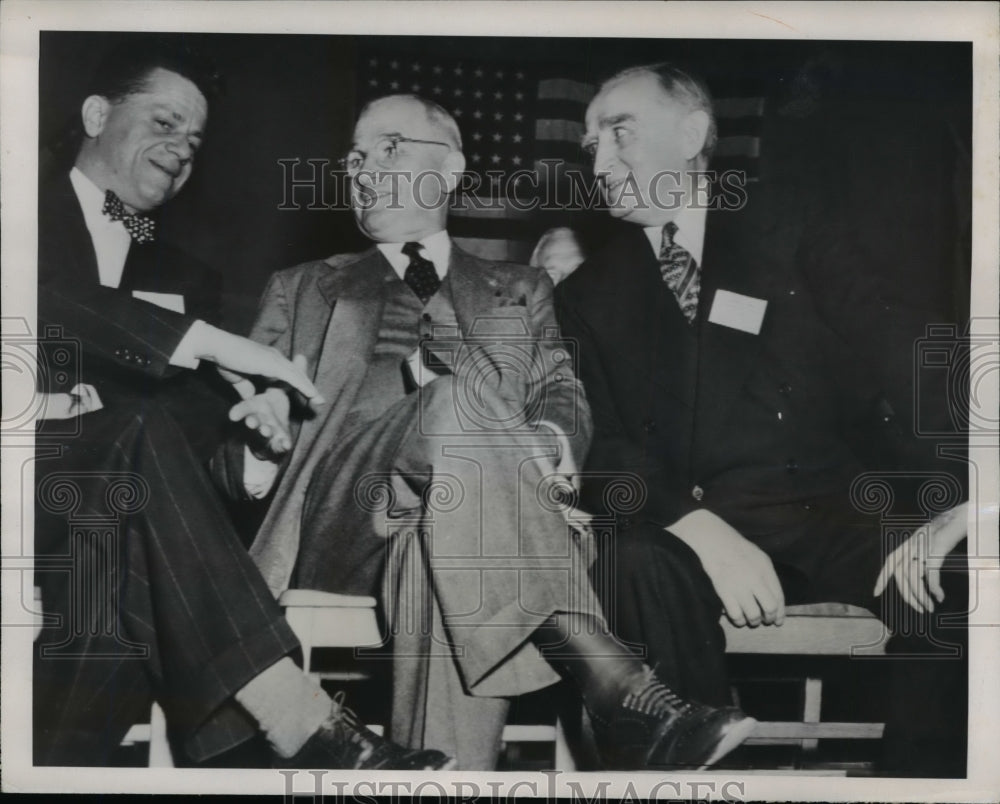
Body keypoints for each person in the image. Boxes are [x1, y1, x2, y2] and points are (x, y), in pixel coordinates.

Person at [215, 93, 757, 771]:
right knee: (453, 404)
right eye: (354, 157)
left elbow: (563, 392)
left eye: (387, 147)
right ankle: (611, 677)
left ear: (449, 169)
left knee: (445, 553)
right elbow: (230, 454)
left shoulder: (521, 287)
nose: (361, 168)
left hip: (470, 532)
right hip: (339, 524)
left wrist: (548, 448)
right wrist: (257, 448)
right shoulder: (300, 288)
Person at [33, 37, 453, 771]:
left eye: (194, 138)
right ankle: (293, 711)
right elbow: (53, 302)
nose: (181, 148)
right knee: (136, 438)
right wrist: (215, 348)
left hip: (112, 533)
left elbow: (188, 429)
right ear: (97, 113)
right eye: (164, 123)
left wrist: (255, 438)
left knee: (108, 628)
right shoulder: (16, 202)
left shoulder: (185, 271)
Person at [555, 63, 969, 776]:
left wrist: (964, 496)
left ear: (691, 135)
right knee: (634, 563)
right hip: (686, 533)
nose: (599, 159)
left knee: (963, 583)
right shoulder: (588, 292)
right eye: (591, 144)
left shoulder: (793, 219)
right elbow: (602, 439)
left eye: (619, 132)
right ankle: (702, 771)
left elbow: (896, 344)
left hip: (829, 516)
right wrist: (694, 525)